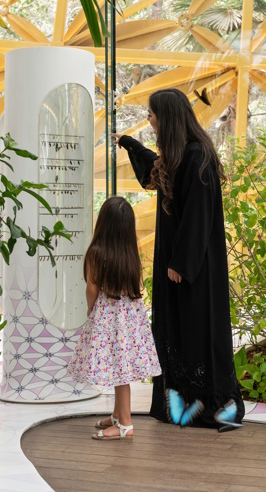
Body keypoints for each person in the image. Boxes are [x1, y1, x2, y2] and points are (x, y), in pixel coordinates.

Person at [112, 88, 245, 431]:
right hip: (177, 264)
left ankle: (212, 409)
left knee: (198, 330)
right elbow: (153, 170)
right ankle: (180, 405)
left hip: (193, 268)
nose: (149, 120)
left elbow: (198, 216)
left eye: (152, 115)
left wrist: (182, 263)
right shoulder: (178, 155)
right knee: (177, 330)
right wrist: (129, 143)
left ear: (167, 118)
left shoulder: (198, 156)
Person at [67, 196, 162, 440]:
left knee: (120, 372)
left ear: (103, 223)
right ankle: (118, 415)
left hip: (108, 318)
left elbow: (92, 288)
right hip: (130, 319)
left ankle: (125, 424)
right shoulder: (130, 252)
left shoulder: (96, 253)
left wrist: (90, 309)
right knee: (122, 367)